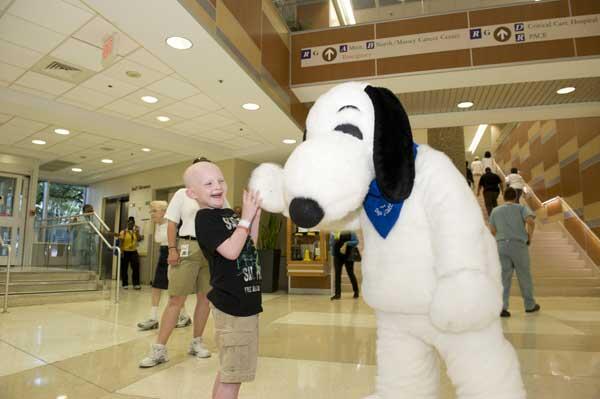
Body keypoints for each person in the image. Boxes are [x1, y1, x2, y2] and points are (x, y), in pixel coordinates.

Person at [185, 159, 262, 399]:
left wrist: (255, 215)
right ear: (192, 192)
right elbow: (230, 251)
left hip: (245, 304)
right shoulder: (205, 218)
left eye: (220, 180)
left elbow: (249, 243)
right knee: (233, 377)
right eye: (208, 183)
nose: (217, 186)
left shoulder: (227, 214)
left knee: (230, 372)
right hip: (233, 307)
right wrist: (246, 219)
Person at [139, 159, 212, 368]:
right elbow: (171, 223)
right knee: (176, 299)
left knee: (205, 299)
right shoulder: (182, 194)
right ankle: (159, 349)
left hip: (210, 252)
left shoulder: (216, 194)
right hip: (187, 246)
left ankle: (196, 342)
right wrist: (172, 249)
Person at [137, 201, 191, 331]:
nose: (152, 214)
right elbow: (160, 240)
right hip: (163, 252)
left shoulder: (172, 223)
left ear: (164, 211)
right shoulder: (158, 224)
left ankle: (184, 316)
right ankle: (153, 318)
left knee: (174, 289)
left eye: (154, 211)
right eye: (151, 211)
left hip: (173, 253)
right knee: (156, 286)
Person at [489, 188, 540, 317]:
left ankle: (502, 307)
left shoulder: (495, 211)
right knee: (524, 275)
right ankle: (529, 305)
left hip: (501, 245)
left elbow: (492, 230)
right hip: (518, 245)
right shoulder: (521, 208)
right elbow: (531, 222)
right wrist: (529, 236)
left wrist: (499, 238)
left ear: (504, 197)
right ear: (515, 197)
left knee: (504, 277)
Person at [331, 231, 359, 300]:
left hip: (348, 254)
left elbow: (356, 241)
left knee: (350, 273)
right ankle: (337, 294)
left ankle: (356, 291)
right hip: (337, 255)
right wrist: (333, 253)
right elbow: (331, 243)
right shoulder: (334, 231)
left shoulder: (350, 231)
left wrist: (346, 243)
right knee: (337, 274)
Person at [119, 216, 143, 289]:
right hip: (125, 252)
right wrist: (121, 251)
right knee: (124, 268)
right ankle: (125, 284)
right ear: (127, 223)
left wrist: (137, 232)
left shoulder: (135, 232)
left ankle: (136, 284)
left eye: (132, 223)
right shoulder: (123, 232)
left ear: (134, 224)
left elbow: (139, 239)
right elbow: (121, 242)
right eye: (129, 223)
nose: (131, 224)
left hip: (134, 252)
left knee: (136, 267)